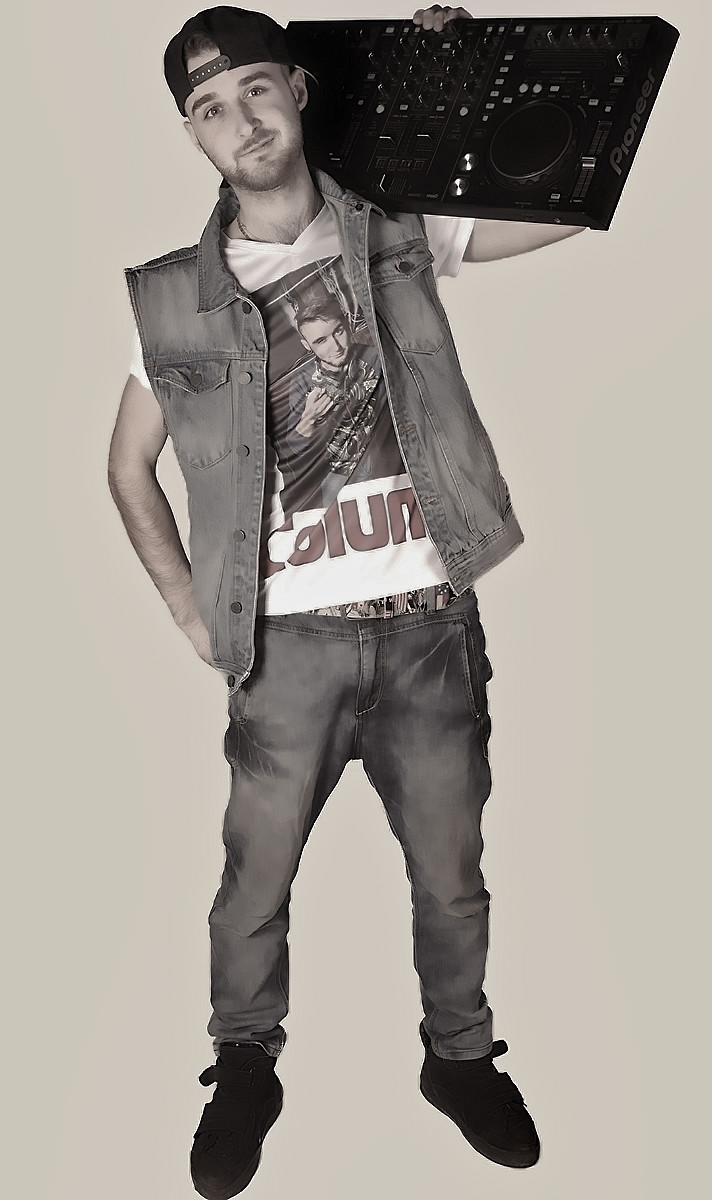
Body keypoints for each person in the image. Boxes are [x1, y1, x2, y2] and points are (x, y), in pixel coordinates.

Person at [107, 6, 586, 1197]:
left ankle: (460, 1059)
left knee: (452, 876)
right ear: (193, 134)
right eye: (210, 109)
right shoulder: (172, 301)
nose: (240, 120)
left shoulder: (400, 232)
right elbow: (126, 466)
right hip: (288, 649)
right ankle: (244, 1067)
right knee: (253, 884)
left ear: (298, 90)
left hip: (427, 629)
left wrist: (462, 77)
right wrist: (188, 610)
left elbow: (570, 195)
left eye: (255, 90)